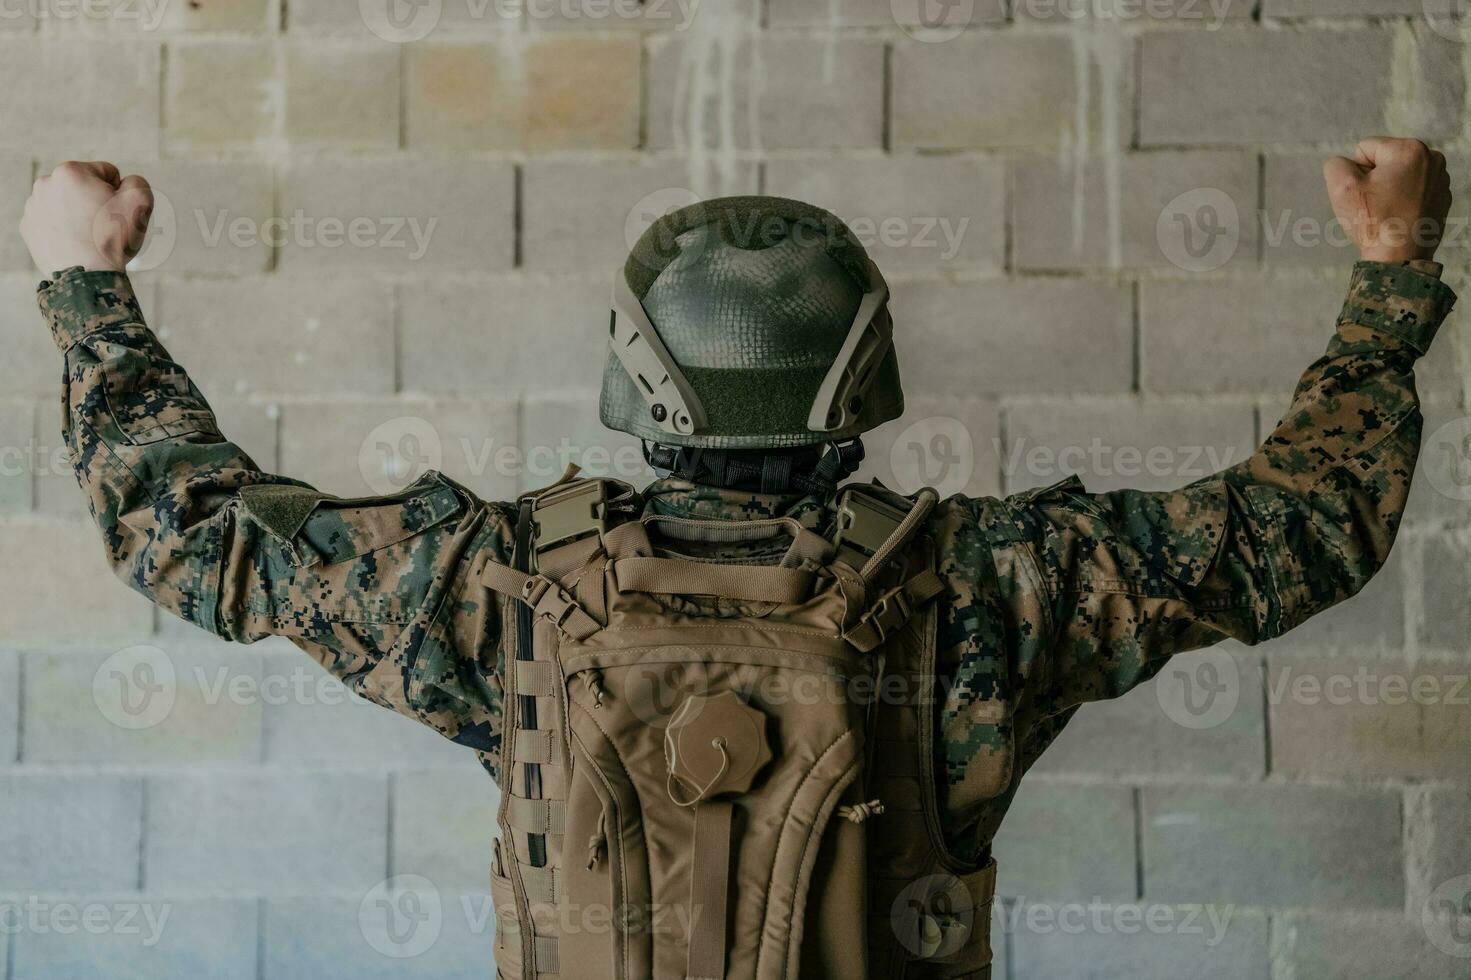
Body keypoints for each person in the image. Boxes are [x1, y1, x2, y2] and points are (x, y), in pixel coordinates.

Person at [18, 136, 1456, 979]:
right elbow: (1302, 528)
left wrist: (84, 284)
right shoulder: (993, 586)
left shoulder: (496, 583)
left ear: (634, 379)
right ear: (867, 371)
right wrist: (1393, 270)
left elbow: (195, 534)